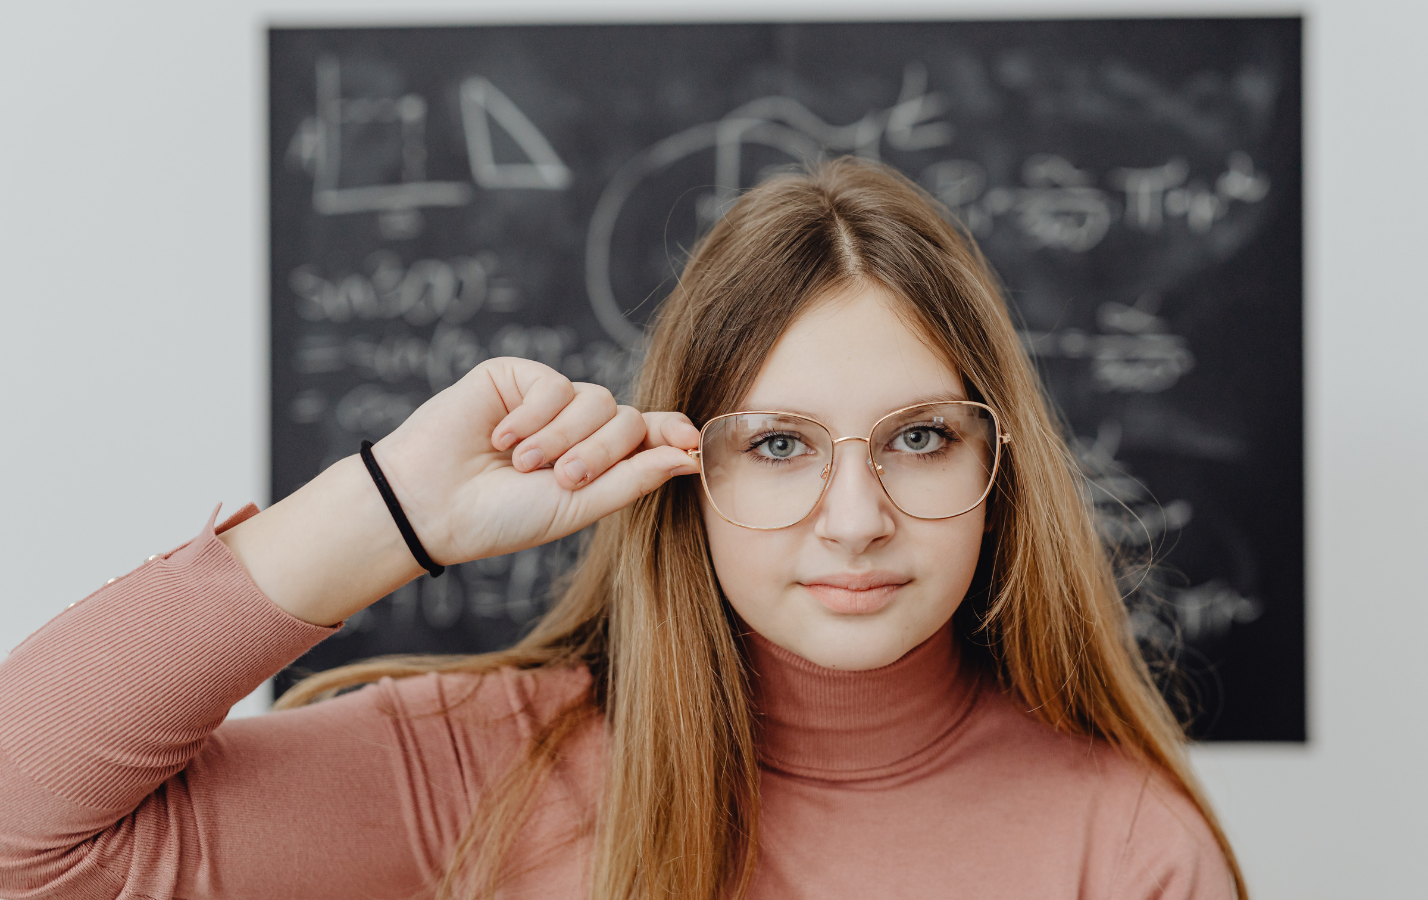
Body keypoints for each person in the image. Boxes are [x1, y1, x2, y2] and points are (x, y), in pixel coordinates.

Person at [0, 158, 1244, 900]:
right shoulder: (482, 766)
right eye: (777, 444)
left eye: (919, 437)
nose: (855, 520)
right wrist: (391, 510)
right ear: (682, 473)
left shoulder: (1124, 848)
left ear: (997, 460)